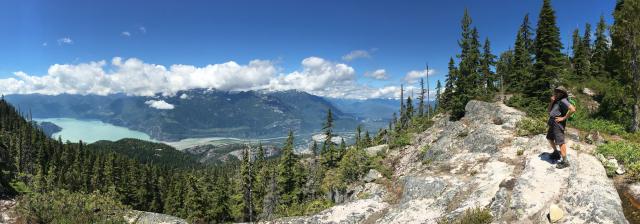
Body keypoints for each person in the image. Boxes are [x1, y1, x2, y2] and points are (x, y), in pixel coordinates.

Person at [547, 86, 576, 169]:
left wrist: (563, 118)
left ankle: (565, 161)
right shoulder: (556, 101)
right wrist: (552, 102)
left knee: (560, 141)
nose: (557, 93)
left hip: (558, 123)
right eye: (556, 91)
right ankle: (556, 153)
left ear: (563, 94)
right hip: (552, 121)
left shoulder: (563, 100)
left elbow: (572, 109)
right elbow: (549, 111)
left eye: (559, 92)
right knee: (549, 138)